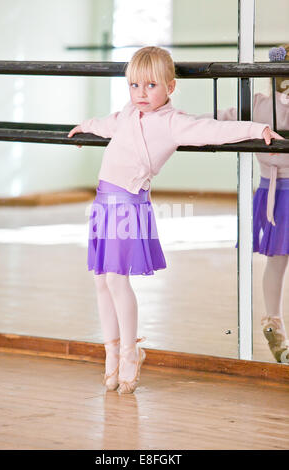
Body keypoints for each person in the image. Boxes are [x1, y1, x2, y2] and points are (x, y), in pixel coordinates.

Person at [67, 46, 282, 393]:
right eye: (134, 86)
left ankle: (129, 353)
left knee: (118, 281)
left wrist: (258, 129)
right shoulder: (126, 114)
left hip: (128, 206)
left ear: (170, 87)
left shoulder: (173, 123)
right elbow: (106, 124)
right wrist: (85, 128)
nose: (141, 94)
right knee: (101, 282)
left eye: (150, 86)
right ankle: (110, 352)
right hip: (104, 202)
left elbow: (213, 130)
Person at [197, 45, 289, 363]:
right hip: (275, 191)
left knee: (277, 260)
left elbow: (221, 118)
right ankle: (274, 323)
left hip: (272, 189)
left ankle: (273, 321)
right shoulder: (260, 104)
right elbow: (222, 118)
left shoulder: (260, 104)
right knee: (276, 259)